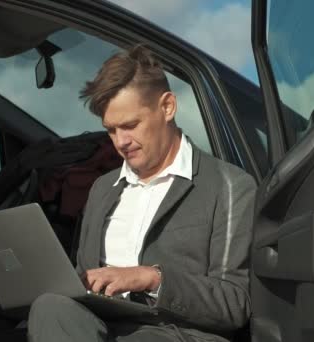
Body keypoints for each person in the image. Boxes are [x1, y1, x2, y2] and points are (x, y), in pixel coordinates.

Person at [27, 45, 256, 342]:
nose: (121, 142)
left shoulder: (229, 186)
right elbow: (81, 282)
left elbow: (233, 304)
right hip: (101, 327)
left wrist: (151, 279)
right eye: (111, 130)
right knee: (50, 307)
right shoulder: (102, 189)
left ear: (168, 107)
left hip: (178, 334)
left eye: (131, 125)